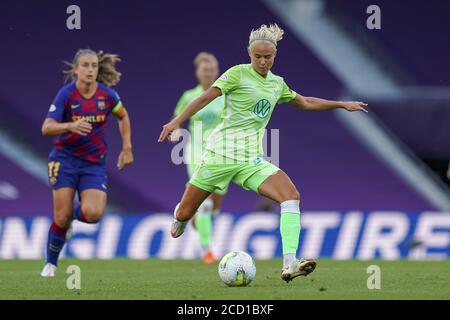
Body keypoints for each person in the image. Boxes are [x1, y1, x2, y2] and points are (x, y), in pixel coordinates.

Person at [158, 24, 368, 283]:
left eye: (267, 57)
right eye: (257, 56)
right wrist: (177, 121)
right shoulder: (237, 74)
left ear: (275, 55)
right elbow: (204, 98)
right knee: (185, 215)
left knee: (290, 196)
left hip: (251, 161)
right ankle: (180, 214)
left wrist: (341, 104)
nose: (262, 61)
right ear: (249, 53)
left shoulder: (277, 85)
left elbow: (305, 102)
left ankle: (290, 263)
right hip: (219, 156)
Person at [40, 49, 133, 277]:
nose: (91, 70)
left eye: (94, 66)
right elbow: (46, 127)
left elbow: (123, 116)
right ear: (76, 70)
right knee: (60, 217)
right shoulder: (66, 95)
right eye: (86, 66)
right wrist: (69, 125)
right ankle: (50, 264)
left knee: (93, 214)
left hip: (93, 163)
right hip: (64, 160)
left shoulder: (108, 96)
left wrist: (127, 147)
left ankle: (72, 216)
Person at [173, 52, 225, 264]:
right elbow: (177, 118)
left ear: (217, 72)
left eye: (211, 70)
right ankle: (207, 251)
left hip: (222, 153)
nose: (208, 73)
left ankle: (194, 215)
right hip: (196, 153)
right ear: (198, 73)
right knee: (204, 205)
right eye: (205, 70)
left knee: (214, 207)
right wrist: (175, 131)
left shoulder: (225, 95)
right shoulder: (189, 96)